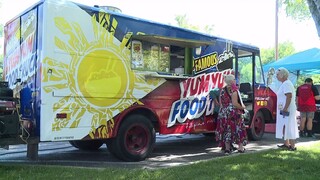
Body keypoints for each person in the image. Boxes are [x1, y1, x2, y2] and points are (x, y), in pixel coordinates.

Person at [215, 74, 248, 155]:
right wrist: (242, 107)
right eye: (234, 79)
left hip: (223, 113)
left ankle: (227, 148)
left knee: (227, 130)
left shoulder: (222, 90)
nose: (235, 80)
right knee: (238, 129)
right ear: (232, 81)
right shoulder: (234, 90)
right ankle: (240, 147)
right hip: (233, 113)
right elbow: (235, 104)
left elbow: (220, 103)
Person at [275, 67, 299, 151]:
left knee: (289, 126)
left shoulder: (286, 84)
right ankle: (286, 143)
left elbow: (289, 96)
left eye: (277, 75)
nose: (276, 76)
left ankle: (292, 146)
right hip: (284, 108)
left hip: (287, 109)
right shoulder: (285, 83)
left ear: (282, 75)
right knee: (285, 125)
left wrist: (285, 108)